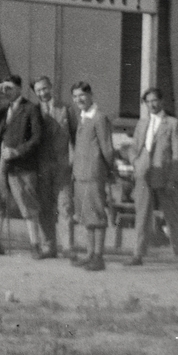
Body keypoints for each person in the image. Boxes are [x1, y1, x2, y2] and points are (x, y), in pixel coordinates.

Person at [0, 75, 52, 258]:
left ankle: (35, 245)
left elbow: (37, 138)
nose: (6, 92)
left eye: (9, 88)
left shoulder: (30, 108)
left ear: (19, 88)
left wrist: (17, 152)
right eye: (3, 89)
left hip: (21, 165)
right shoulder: (2, 107)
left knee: (28, 205)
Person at [128, 87, 178, 269]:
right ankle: (138, 255)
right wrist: (136, 162)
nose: (152, 104)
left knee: (173, 216)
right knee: (142, 216)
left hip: (165, 176)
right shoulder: (142, 123)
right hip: (144, 174)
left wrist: (174, 178)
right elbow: (133, 147)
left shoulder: (172, 123)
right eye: (148, 102)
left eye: (155, 100)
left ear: (162, 101)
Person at [69, 81, 114, 271]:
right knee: (86, 216)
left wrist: (109, 170)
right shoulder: (83, 117)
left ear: (91, 95)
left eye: (82, 95)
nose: (79, 99)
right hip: (80, 174)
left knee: (96, 215)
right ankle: (89, 254)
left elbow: (107, 148)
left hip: (94, 174)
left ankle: (98, 256)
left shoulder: (99, 118)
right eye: (75, 96)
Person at [32, 76, 76, 257]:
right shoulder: (34, 111)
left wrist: (73, 162)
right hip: (41, 166)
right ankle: (48, 246)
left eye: (45, 88)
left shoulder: (66, 109)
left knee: (65, 206)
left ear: (51, 87)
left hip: (62, 166)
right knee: (44, 206)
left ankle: (68, 248)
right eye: (39, 90)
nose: (43, 93)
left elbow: (75, 138)